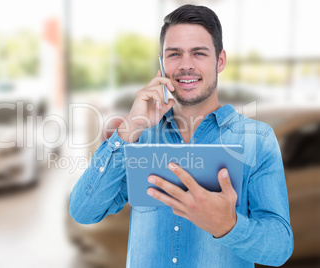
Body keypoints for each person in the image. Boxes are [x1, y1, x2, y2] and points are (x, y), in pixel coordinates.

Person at [70, 4, 293, 267]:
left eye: (198, 53)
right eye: (174, 54)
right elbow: (84, 211)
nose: (186, 65)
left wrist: (228, 225)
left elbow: (280, 248)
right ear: (162, 63)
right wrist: (131, 126)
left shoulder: (257, 139)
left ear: (220, 61)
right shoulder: (141, 137)